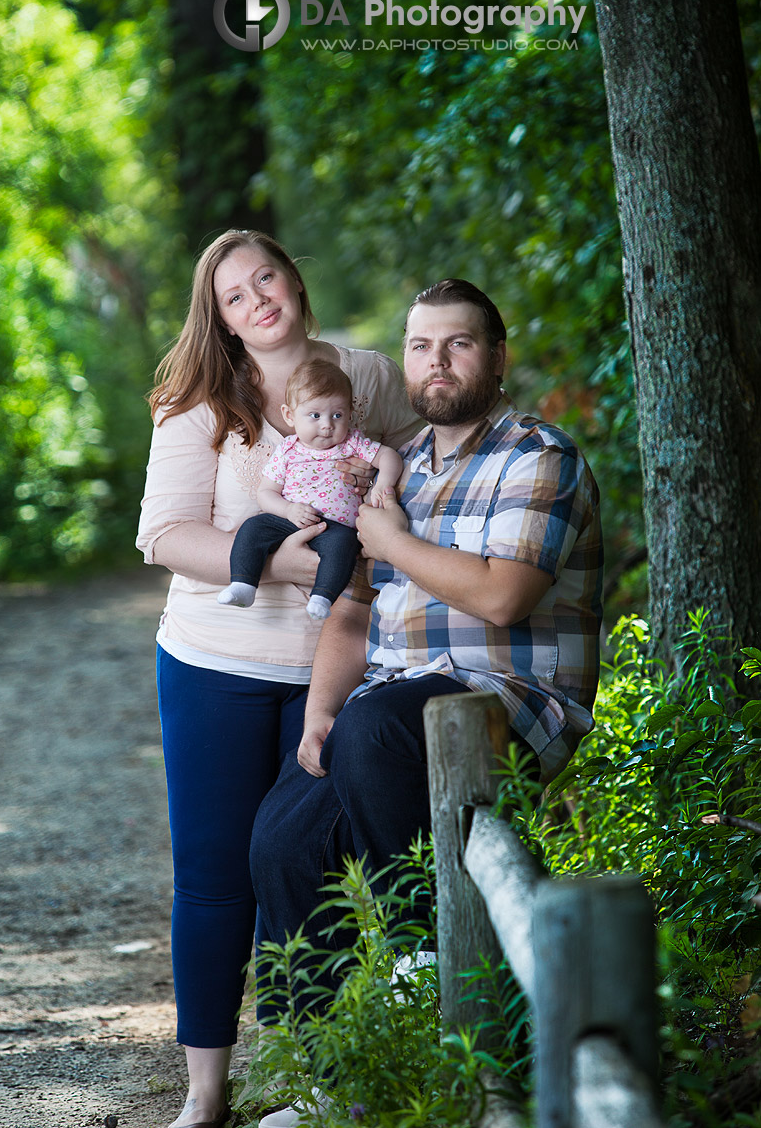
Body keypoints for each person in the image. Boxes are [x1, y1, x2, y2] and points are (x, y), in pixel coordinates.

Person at [249, 278, 604, 1128]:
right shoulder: (400, 470)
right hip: (390, 708)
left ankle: (423, 970)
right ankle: (329, 1076)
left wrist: (397, 541)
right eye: (419, 345)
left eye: (457, 343)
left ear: (496, 357)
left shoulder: (537, 455)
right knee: (281, 832)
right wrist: (318, 715)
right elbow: (355, 610)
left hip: (511, 703)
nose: (435, 361)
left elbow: (505, 597)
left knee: (377, 730)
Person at [135, 229, 421, 1128]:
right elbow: (164, 535)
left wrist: (395, 532)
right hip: (209, 664)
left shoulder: (366, 376)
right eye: (234, 295)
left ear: (296, 281)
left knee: (298, 863)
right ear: (218, 319)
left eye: (268, 278)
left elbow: (431, 458)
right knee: (216, 876)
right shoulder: (200, 403)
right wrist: (289, 566)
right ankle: (205, 1094)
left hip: (325, 667)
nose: (258, 299)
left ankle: (309, 1079)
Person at [217, 358, 402, 620]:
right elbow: (265, 493)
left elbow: (390, 457)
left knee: (344, 546)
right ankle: (243, 584)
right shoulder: (288, 450)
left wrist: (382, 484)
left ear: (350, 414)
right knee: (253, 528)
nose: (327, 425)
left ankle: (322, 597)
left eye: (337, 415)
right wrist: (288, 509)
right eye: (315, 415)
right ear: (289, 415)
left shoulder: (352, 443)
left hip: (335, 527)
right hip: (291, 519)